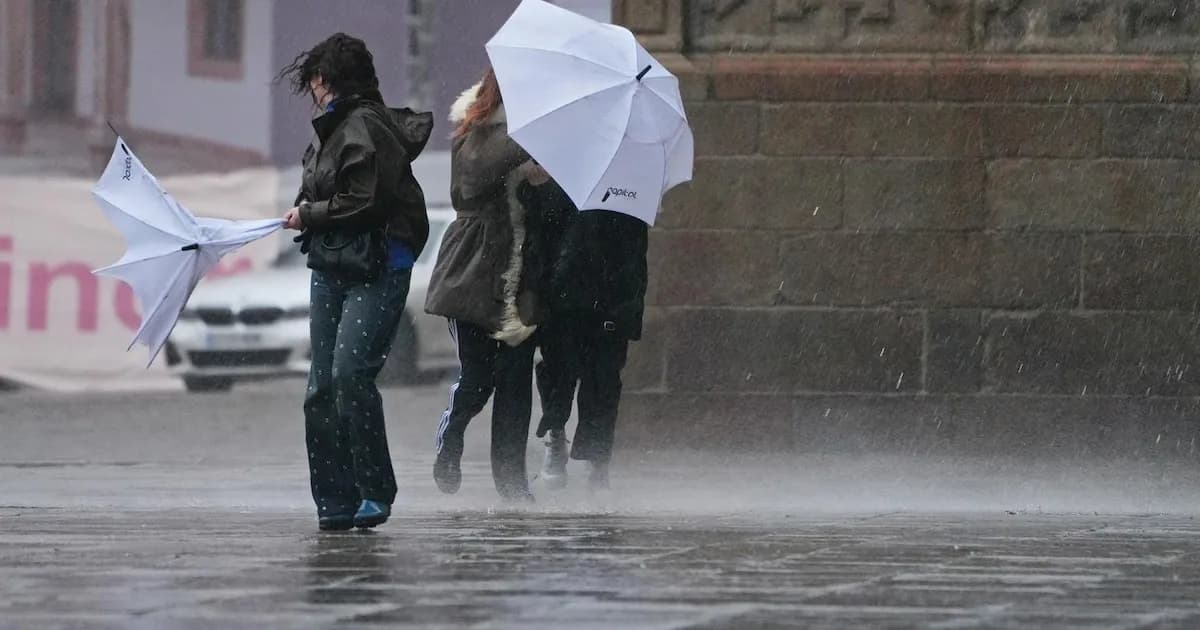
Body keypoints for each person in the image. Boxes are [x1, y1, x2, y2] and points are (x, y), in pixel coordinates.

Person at [278, 33, 433, 531]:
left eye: (314, 82)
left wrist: (310, 213)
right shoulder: (329, 131)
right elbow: (320, 189)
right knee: (320, 387)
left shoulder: (365, 126)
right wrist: (307, 208)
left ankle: (373, 491)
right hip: (332, 266)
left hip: (378, 265)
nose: (312, 91)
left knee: (349, 374)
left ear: (325, 80)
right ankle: (334, 501)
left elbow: (367, 200)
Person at [424, 68, 556, 503]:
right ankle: (453, 432)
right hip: (474, 267)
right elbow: (476, 174)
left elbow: (543, 208)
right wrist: (527, 149)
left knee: (516, 382)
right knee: (479, 377)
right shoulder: (473, 127)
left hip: (520, 272)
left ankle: (511, 482)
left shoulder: (532, 137)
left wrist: (542, 178)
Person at [534, 201, 649, 493]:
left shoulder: (629, 198)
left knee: (604, 381)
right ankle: (556, 436)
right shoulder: (560, 188)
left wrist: (626, 312)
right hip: (563, 300)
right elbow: (542, 238)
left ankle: (597, 460)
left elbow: (634, 259)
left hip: (609, 301)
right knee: (558, 374)